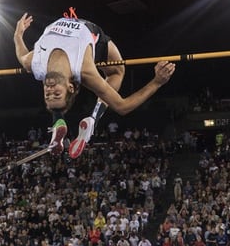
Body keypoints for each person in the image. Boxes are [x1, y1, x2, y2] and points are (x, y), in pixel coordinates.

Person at [14, 9, 176, 157]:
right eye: (57, 93)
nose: (49, 89)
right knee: (117, 70)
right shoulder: (85, 70)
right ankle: (93, 120)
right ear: (70, 86)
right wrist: (157, 82)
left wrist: (18, 36)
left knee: (42, 75)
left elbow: (22, 56)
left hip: (69, 31)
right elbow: (122, 106)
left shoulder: (35, 64)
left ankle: (58, 121)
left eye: (48, 94)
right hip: (90, 35)